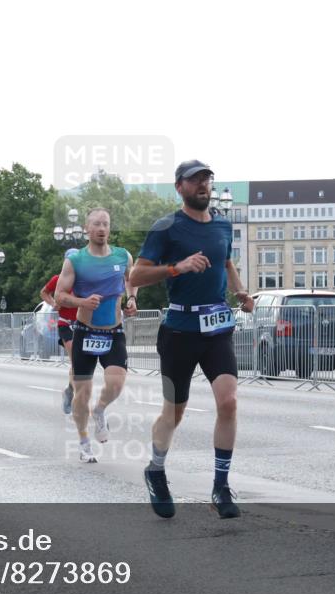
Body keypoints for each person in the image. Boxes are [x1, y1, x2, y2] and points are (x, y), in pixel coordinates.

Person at [129, 160, 254, 520]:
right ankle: (155, 469)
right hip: (180, 329)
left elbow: (226, 263)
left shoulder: (222, 224)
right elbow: (136, 274)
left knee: (228, 402)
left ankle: (220, 484)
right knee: (174, 412)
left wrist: (241, 292)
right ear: (179, 187)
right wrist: (176, 268)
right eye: (195, 179)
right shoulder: (166, 228)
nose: (203, 184)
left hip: (216, 327)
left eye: (207, 179)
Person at [55, 209, 137, 463]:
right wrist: (82, 301)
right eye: (96, 224)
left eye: (106, 224)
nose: (102, 228)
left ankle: (99, 411)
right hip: (85, 332)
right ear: (86, 228)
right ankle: (83, 442)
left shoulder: (122, 255)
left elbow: (131, 280)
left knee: (116, 383)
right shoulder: (76, 260)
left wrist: (132, 298)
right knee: (83, 392)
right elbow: (59, 296)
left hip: (114, 332)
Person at [41, 247, 80, 414]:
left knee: (81, 364)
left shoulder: (84, 281)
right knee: (76, 362)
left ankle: (69, 391)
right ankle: (78, 399)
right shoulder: (58, 279)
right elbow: (44, 292)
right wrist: (52, 303)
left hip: (82, 324)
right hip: (66, 324)